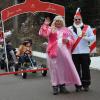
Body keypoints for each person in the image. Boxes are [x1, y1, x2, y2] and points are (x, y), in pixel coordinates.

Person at [39, 15, 81, 95]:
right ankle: (55, 86)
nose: (58, 22)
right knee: (54, 69)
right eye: (57, 21)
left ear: (62, 22)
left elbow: (72, 40)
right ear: (54, 22)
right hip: (52, 52)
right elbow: (42, 34)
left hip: (63, 52)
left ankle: (62, 86)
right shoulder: (51, 29)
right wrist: (45, 25)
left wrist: (67, 41)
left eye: (60, 21)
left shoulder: (67, 30)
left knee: (62, 69)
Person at [68, 8, 95, 92]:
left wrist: (85, 37)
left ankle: (86, 84)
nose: (77, 20)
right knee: (76, 70)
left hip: (84, 52)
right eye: (76, 19)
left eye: (79, 19)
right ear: (73, 19)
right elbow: (68, 38)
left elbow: (92, 38)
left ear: (81, 19)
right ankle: (78, 85)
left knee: (86, 69)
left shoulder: (87, 27)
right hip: (74, 52)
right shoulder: (69, 28)